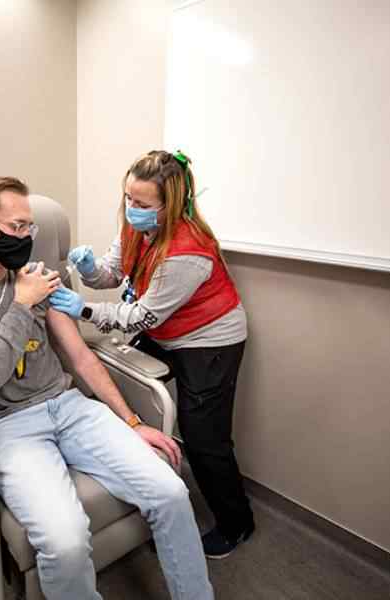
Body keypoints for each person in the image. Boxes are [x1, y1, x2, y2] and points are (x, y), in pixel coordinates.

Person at [0, 175, 214, 600]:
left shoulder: (37, 275)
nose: (28, 238)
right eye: (18, 227)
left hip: (68, 407)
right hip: (6, 425)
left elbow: (81, 356)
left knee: (170, 491)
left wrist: (131, 422)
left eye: (30, 227)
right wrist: (21, 302)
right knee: (66, 542)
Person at [50, 150, 254, 559]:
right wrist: (90, 270)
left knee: (204, 437)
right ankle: (146, 485)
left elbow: (142, 314)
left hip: (209, 340)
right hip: (165, 330)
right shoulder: (135, 225)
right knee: (120, 383)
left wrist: (84, 309)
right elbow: (113, 272)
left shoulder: (187, 251)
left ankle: (236, 525)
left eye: (142, 204)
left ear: (170, 205)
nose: (131, 208)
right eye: (128, 198)